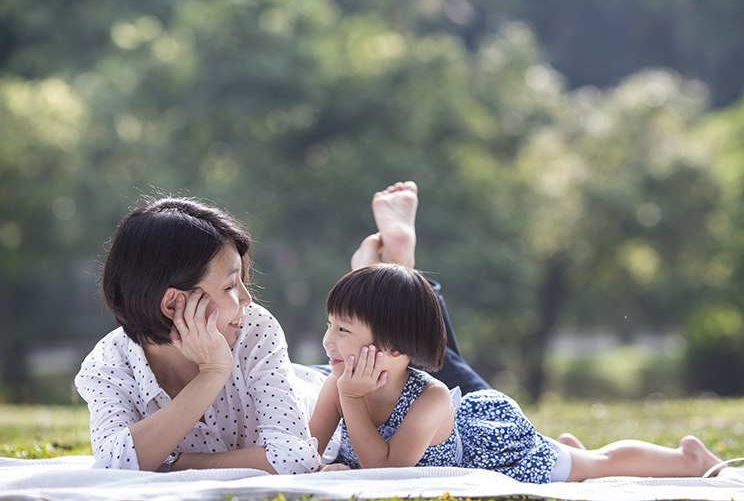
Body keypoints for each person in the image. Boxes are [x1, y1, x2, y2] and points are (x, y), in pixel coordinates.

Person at [74, 181, 487, 474]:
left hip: (332, 393)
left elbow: (296, 457)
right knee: (389, 339)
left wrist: (171, 461)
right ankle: (385, 279)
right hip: (336, 388)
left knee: (436, 378)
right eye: (230, 285)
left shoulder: (253, 328)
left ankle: (390, 278)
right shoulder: (109, 366)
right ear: (175, 302)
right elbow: (113, 463)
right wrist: (211, 376)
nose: (248, 300)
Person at [308, 263, 726, 483]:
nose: (328, 341)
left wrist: (352, 399)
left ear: (395, 347)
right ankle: (567, 449)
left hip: (498, 455)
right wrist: (321, 466)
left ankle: (688, 459)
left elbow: (390, 474)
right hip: (452, 445)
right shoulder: (336, 383)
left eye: (343, 330)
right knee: (579, 461)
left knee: (597, 464)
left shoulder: (429, 397)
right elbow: (306, 452)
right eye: (330, 325)